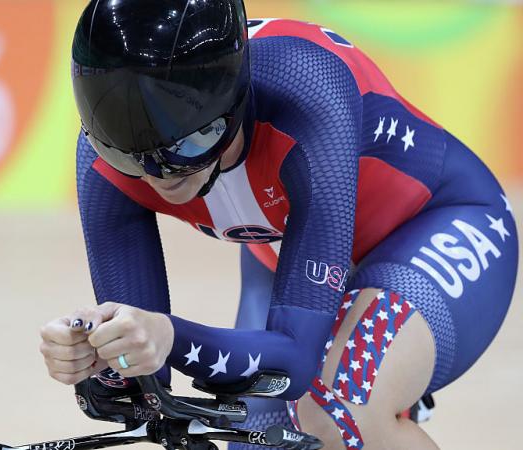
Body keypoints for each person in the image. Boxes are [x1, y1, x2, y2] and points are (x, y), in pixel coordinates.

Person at [38, 1, 518, 449]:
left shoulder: (307, 87)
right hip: (297, 247)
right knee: (251, 434)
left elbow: (294, 361)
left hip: (440, 220)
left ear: (234, 103)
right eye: (126, 153)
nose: (159, 174)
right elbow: (145, 387)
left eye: (185, 148)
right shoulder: (104, 159)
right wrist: (98, 355)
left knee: (339, 407)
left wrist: (168, 337)